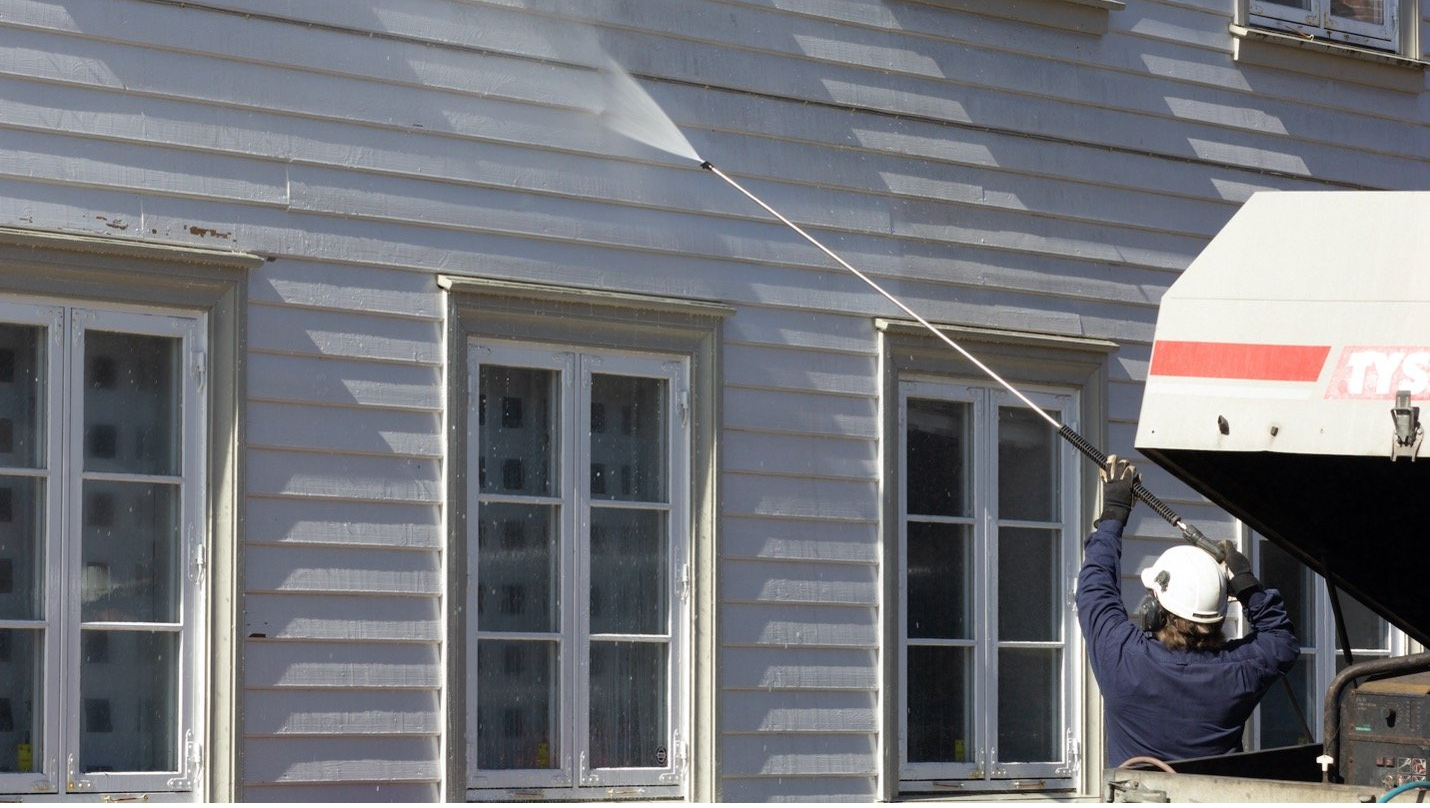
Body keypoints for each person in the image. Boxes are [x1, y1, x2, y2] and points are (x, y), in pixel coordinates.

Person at [1077, 455, 1299, 767]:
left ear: (1155, 610)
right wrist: (1248, 586)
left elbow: (1095, 586)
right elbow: (1282, 641)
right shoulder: (1239, 669)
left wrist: (1114, 512)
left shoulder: (1122, 655)